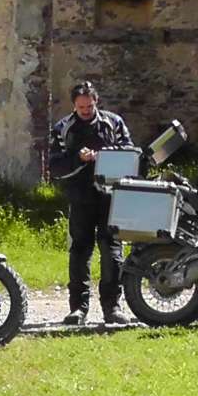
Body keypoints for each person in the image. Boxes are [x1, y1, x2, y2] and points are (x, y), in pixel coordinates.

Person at [47, 81, 134, 327]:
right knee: (79, 252)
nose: (85, 111)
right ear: (74, 105)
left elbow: (130, 153)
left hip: (110, 197)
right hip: (80, 196)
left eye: (89, 106)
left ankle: (112, 307)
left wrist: (106, 156)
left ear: (96, 102)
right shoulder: (62, 128)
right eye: (81, 107)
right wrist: (78, 158)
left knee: (112, 251)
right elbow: (55, 167)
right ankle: (78, 308)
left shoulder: (114, 123)